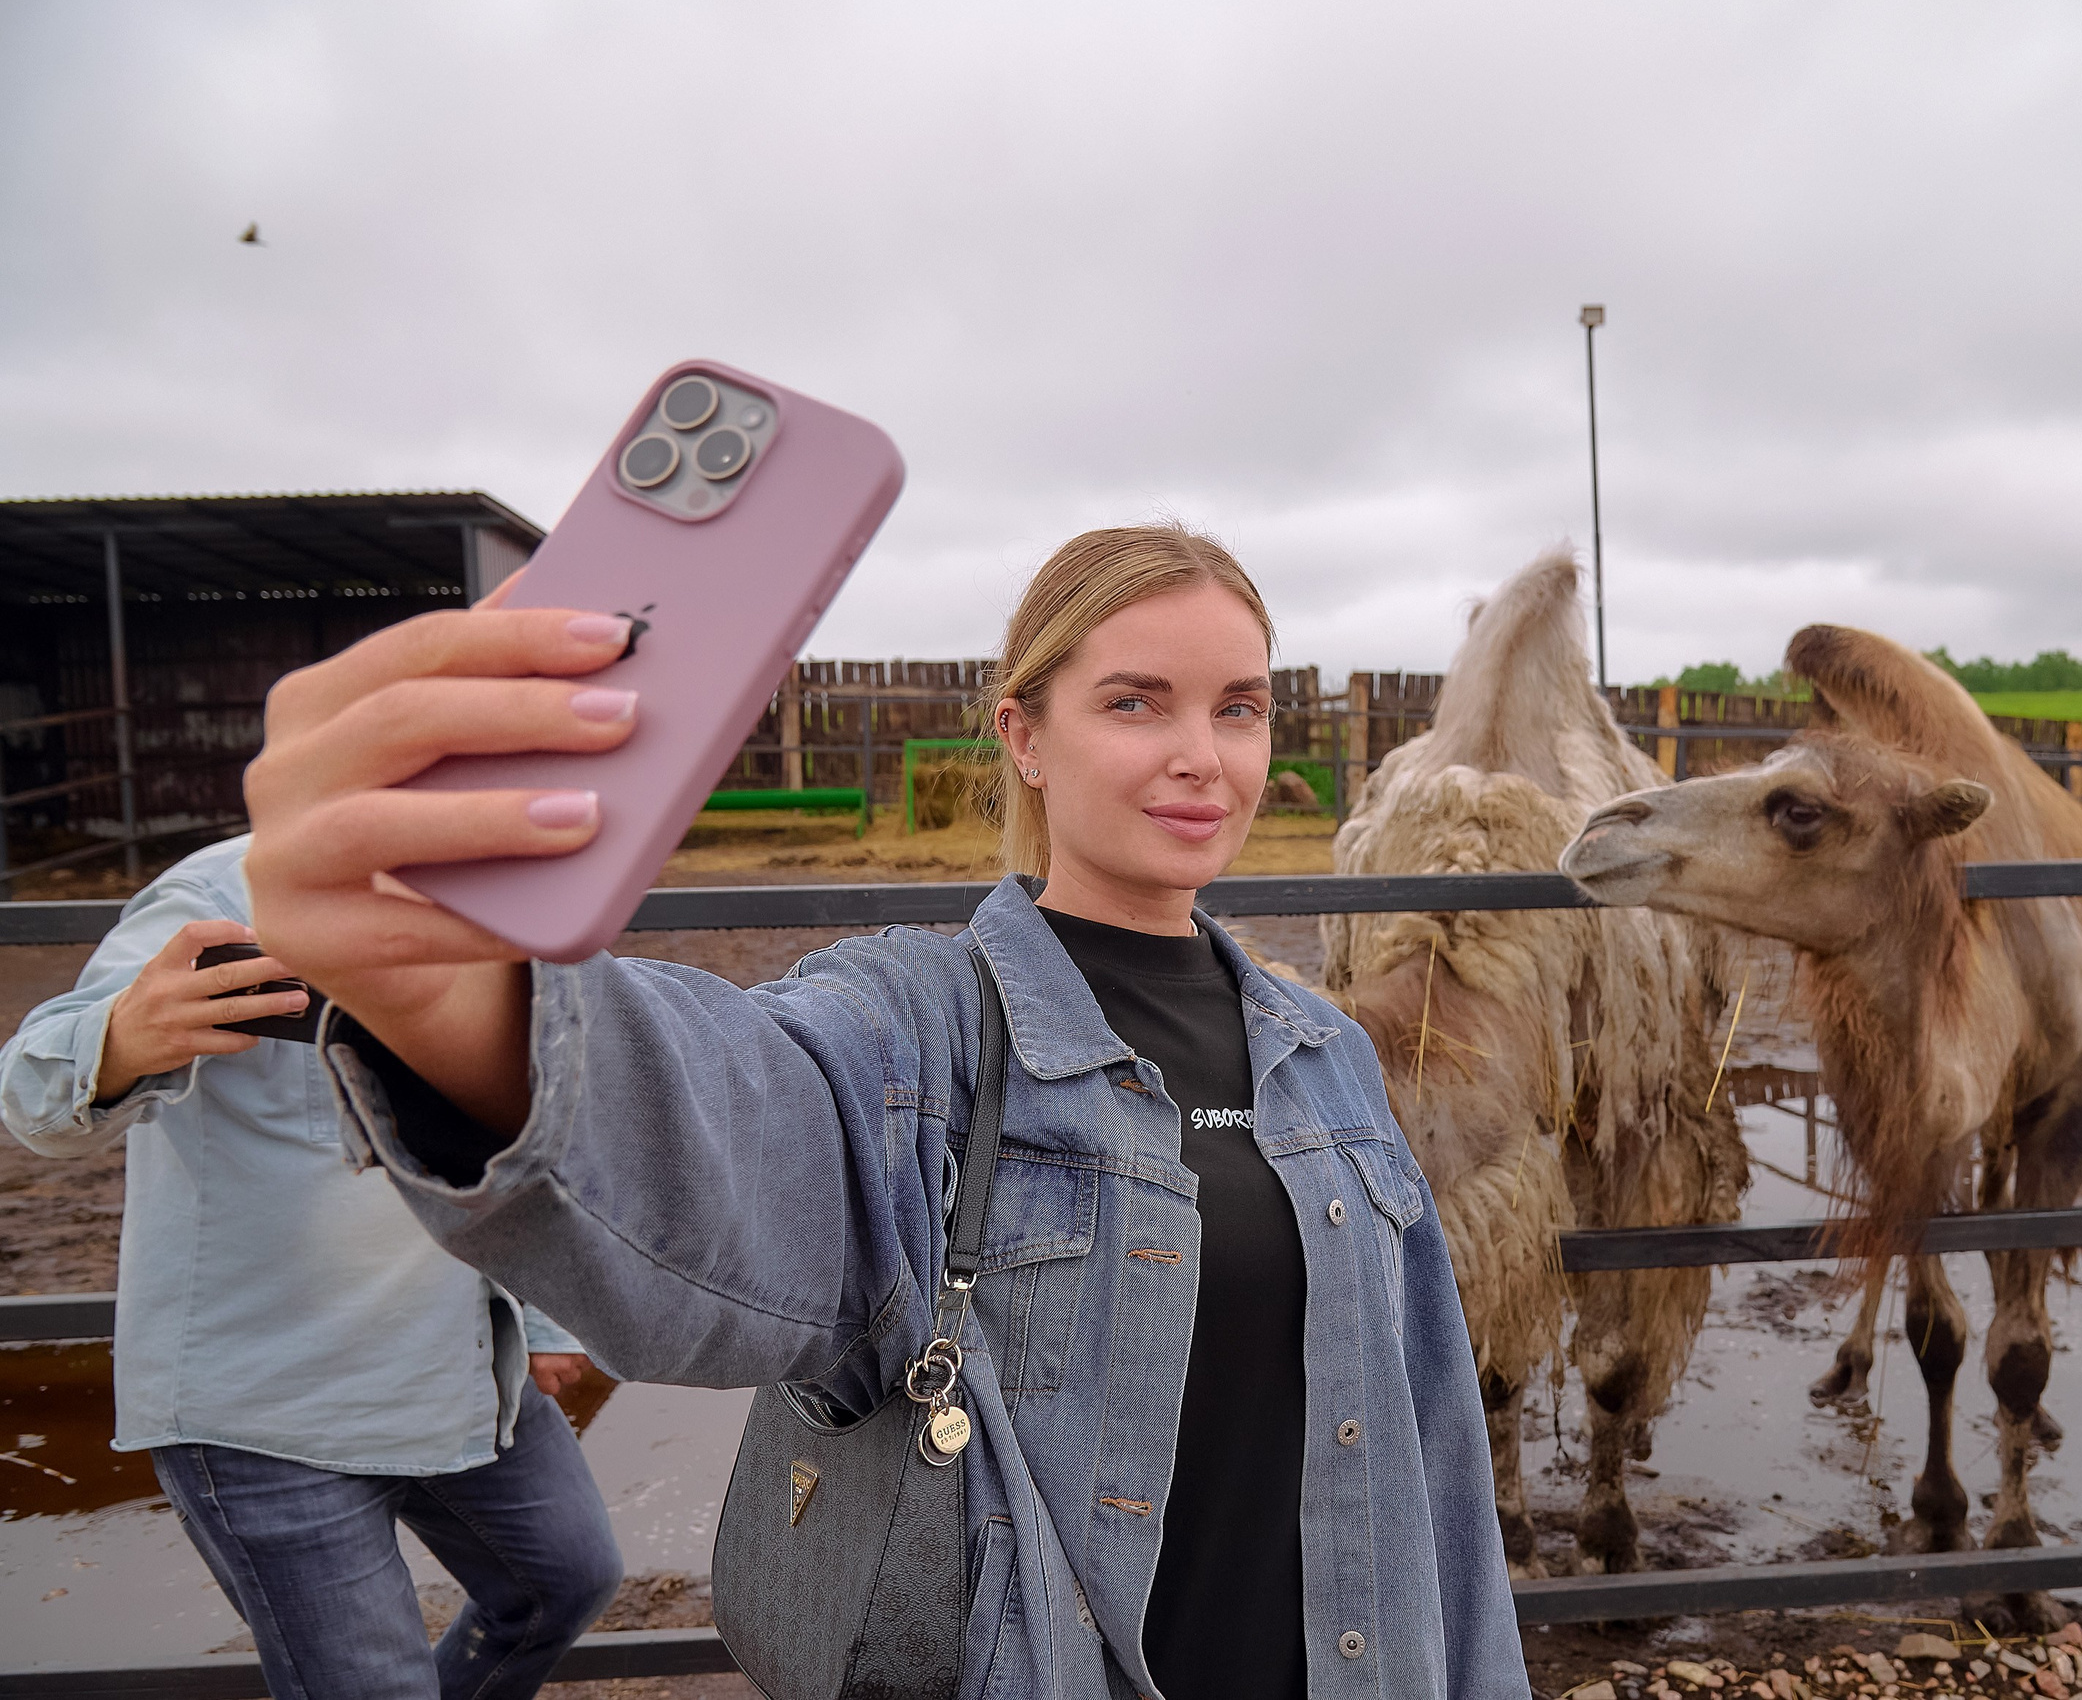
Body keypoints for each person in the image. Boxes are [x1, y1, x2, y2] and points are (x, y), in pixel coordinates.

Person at [239, 524, 1534, 1699]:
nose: (1202, 755)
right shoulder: (915, 1023)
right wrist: (466, 1003)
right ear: (1024, 733)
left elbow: (1433, 1463)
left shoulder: (1329, 1058)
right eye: (1135, 702)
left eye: (1239, 708)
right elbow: (731, 1124)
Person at [0, 834, 625, 1700]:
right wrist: (119, 1038)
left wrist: (547, 1311)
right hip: (267, 1411)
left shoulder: (500, 899)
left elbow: (525, 1132)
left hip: (460, 1361)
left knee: (567, 1581)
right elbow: (30, 1101)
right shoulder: (220, 895)